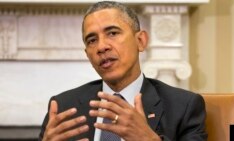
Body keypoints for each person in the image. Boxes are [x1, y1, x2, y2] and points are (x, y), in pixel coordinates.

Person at [39, 1, 207, 141]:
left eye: (112, 33)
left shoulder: (183, 107)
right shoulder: (64, 108)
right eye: (92, 40)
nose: (101, 47)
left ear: (140, 41)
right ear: (87, 55)